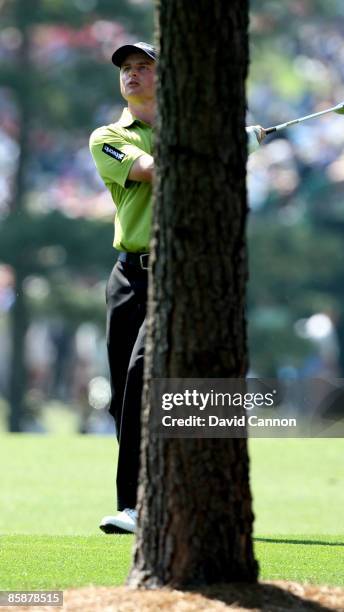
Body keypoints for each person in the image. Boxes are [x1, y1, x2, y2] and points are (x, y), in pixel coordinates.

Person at [89, 41, 156, 534]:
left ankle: (134, 506)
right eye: (126, 69)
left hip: (178, 276)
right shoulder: (109, 135)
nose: (132, 75)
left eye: (144, 67)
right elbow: (152, 169)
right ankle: (156, 495)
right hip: (128, 275)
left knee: (139, 382)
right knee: (120, 397)